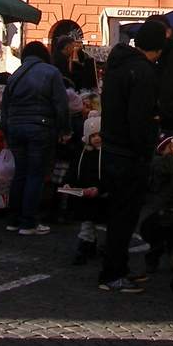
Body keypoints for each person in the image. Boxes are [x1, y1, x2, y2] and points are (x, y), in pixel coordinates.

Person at [97, 20, 166, 294]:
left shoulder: (117, 66)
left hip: (112, 146)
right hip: (129, 152)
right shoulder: (143, 72)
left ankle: (117, 268)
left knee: (117, 214)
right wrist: (146, 146)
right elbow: (139, 118)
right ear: (159, 47)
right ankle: (112, 273)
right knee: (124, 217)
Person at [0, 41, 71, 235]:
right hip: (40, 127)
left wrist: (7, 130)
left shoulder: (15, 75)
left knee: (20, 173)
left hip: (15, 128)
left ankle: (13, 219)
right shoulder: (51, 72)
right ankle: (29, 222)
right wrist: (65, 129)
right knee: (35, 174)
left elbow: (4, 107)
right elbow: (61, 104)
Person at [140, 135, 173, 273]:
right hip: (164, 205)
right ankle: (152, 259)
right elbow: (159, 178)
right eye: (172, 146)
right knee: (161, 237)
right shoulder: (160, 162)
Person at [71, 111, 103, 265]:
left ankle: (88, 247)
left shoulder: (105, 154)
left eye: (99, 134)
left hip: (101, 195)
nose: (97, 138)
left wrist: (100, 188)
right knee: (87, 223)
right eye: (93, 135)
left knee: (94, 221)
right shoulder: (82, 153)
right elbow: (73, 170)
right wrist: (68, 183)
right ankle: (85, 247)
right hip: (85, 195)